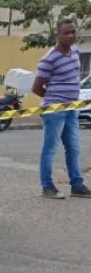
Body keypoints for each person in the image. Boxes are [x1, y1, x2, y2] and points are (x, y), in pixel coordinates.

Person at [32, 19, 91, 200]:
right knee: (50, 148)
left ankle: (77, 185)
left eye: (73, 32)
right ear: (57, 35)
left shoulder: (75, 52)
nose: (71, 36)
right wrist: (54, 101)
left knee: (73, 147)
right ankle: (47, 186)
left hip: (72, 109)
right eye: (66, 32)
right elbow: (36, 87)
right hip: (55, 111)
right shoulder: (50, 58)